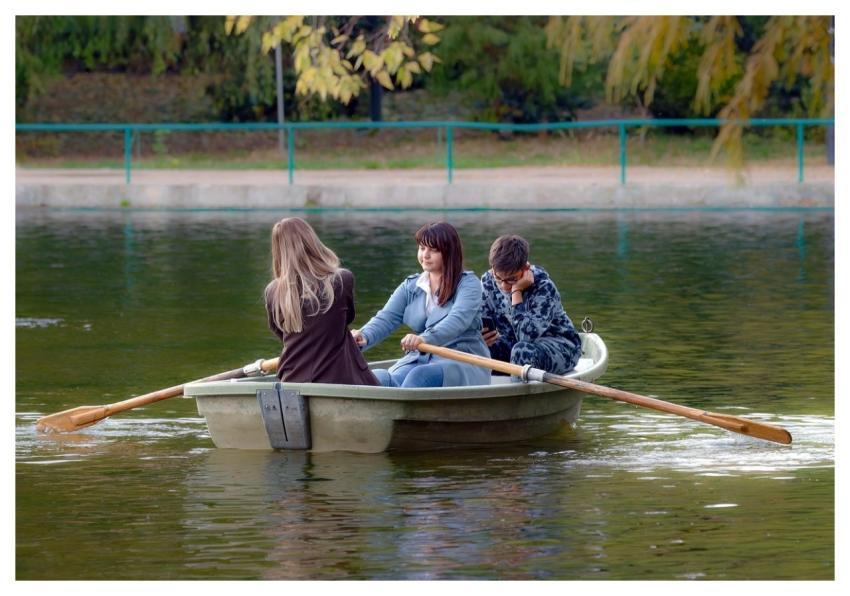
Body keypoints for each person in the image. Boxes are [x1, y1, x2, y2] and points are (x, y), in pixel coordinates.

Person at [351, 222, 491, 388]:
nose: (425, 255)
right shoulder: (410, 286)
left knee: (420, 376)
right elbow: (386, 318)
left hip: (463, 360)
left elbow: (458, 320)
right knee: (376, 377)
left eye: (433, 250)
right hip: (421, 358)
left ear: (449, 253)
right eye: (422, 248)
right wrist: (363, 337)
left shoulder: (469, 284)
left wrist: (424, 338)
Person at [264, 217, 379, 386]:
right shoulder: (342, 278)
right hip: (339, 379)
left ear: (278, 250)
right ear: (312, 241)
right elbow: (347, 319)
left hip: (291, 379)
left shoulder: (273, 291)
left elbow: (281, 332)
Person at [480, 234, 582, 375]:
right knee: (477, 349)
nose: (503, 286)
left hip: (559, 347)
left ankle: (516, 395)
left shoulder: (544, 287)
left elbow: (525, 337)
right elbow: (481, 322)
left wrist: (516, 291)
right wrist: (480, 337)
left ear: (526, 268)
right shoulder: (487, 281)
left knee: (522, 351)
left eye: (511, 280)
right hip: (513, 344)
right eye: (498, 278)